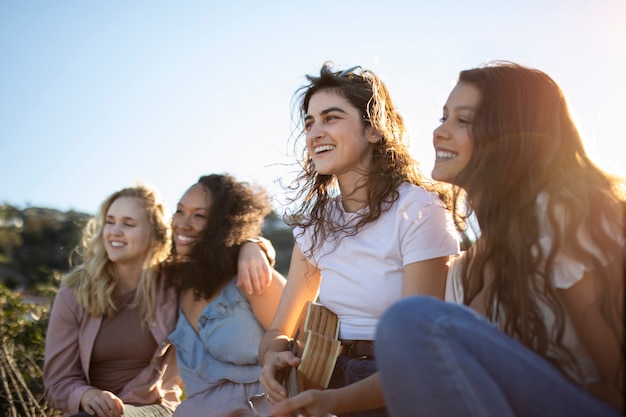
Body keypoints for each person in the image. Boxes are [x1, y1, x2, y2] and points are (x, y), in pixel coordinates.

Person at [375, 61, 625, 416]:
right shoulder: (464, 270)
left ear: (511, 134)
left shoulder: (558, 219)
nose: (439, 132)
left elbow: (617, 383)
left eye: (463, 121)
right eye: (443, 117)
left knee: (410, 321)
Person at [258, 62, 460, 417]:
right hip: (324, 373)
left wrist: (335, 404)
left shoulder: (418, 209)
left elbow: (419, 348)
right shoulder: (315, 223)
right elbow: (279, 328)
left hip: (399, 379)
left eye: (331, 117)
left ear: (373, 131)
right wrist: (273, 356)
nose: (314, 132)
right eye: (309, 122)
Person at [43, 184, 274, 417]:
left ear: (155, 232)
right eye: (110, 221)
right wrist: (87, 395)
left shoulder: (174, 282)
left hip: (154, 407)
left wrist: (252, 246)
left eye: (128, 224)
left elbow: (223, 247)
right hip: (91, 412)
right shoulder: (75, 291)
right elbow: (57, 382)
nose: (114, 231)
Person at [165, 174, 286, 417]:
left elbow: (306, 355)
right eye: (180, 211)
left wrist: (252, 244)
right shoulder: (173, 284)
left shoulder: (253, 278)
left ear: (224, 224)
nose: (183, 223)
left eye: (199, 215)